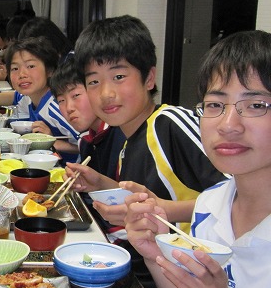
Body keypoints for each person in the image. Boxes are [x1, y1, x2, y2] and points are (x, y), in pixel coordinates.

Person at [124, 30, 271, 288]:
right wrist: (155, 255)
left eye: (256, 105)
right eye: (216, 105)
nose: (228, 125)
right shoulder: (211, 204)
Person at [66, 15, 226, 233]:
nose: (105, 93)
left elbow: (239, 195)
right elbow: (145, 198)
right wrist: (101, 184)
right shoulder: (128, 143)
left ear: (149, 78)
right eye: (94, 81)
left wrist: (164, 210)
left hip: (200, 253)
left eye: (119, 77)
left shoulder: (169, 123)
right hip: (158, 253)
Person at [0, 36, 79, 161]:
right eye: (15, 68)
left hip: (66, 169)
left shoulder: (56, 108)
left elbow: (89, 144)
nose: (22, 74)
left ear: (50, 71)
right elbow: (16, 96)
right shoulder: (29, 96)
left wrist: (51, 141)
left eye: (31, 66)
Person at [52, 55, 125, 181]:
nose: (69, 108)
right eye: (61, 100)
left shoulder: (123, 135)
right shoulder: (85, 141)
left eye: (76, 95)